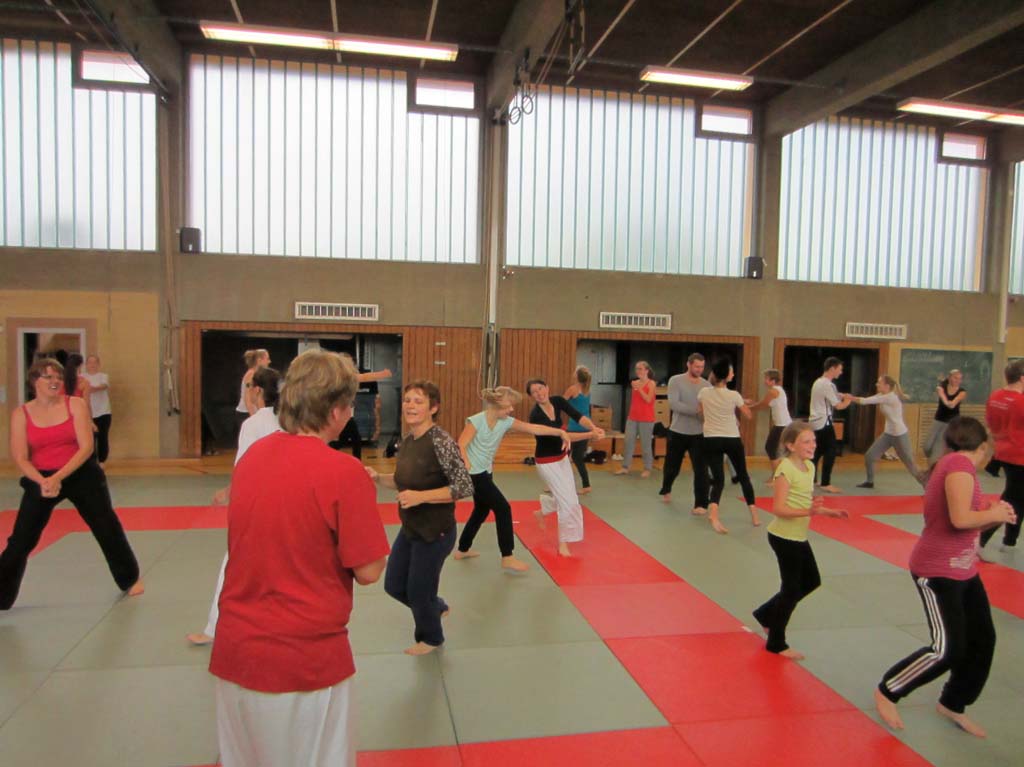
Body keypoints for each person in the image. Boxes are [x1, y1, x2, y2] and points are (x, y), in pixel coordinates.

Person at [210, 350, 389, 767]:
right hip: (303, 664)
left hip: (236, 653)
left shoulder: (252, 457)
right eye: (349, 405)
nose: (350, 413)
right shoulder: (342, 472)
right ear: (336, 409)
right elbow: (368, 570)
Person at [874, 417, 1016, 739]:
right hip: (937, 571)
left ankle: (953, 702)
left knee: (982, 639)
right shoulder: (959, 466)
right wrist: (993, 513)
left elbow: (965, 524)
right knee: (946, 649)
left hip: (963, 569)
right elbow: (960, 519)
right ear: (983, 446)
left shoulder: (958, 467)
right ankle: (888, 690)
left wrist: (994, 516)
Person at [1, 358, 142, 610]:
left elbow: (86, 447)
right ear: (34, 382)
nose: (55, 381)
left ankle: (129, 578)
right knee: (21, 539)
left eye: (58, 377)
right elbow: (20, 457)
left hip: (80, 473)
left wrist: (58, 477)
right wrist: (42, 480)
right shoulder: (21, 414)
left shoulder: (75, 404)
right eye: (48, 377)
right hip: (41, 477)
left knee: (105, 525)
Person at [369, 380, 474, 656]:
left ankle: (431, 637)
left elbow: (464, 486)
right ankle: (435, 607)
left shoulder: (441, 441)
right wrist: (378, 477)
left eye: (418, 401)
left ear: (433, 408)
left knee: (418, 591)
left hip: (436, 532)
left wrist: (421, 497)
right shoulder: (408, 441)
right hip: (411, 528)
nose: (411, 406)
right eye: (407, 400)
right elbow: (402, 480)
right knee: (394, 585)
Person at [187, 367, 282, 646]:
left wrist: (228, 493)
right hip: (286, 503)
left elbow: (244, 469)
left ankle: (213, 627)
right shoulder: (289, 420)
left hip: (257, 505)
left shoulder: (254, 424)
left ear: (257, 391)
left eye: (249, 387)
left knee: (233, 562)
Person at [753, 421, 848, 659]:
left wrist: (828, 512)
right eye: (806, 442)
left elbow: (804, 502)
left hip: (797, 535)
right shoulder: (785, 470)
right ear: (790, 445)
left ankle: (766, 614)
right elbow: (779, 509)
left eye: (813, 441)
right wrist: (810, 512)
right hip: (783, 537)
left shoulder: (809, 466)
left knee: (812, 581)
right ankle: (776, 642)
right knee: (791, 588)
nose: (812, 445)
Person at [454, 386, 574, 572]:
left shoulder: (505, 421)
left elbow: (533, 428)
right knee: (503, 508)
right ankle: (507, 556)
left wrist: (560, 432)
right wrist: (467, 462)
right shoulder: (476, 421)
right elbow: (461, 444)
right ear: (497, 405)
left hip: (485, 471)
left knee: (481, 510)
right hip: (474, 473)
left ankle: (462, 549)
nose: (511, 409)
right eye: (508, 406)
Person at [526, 379, 604, 557]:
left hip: (562, 458)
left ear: (547, 388)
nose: (539, 393)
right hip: (547, 463)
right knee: (567, 502)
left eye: (540, 388)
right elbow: (562, 437)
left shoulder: (558, 401)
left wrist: (594, 427)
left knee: (571, 498)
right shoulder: (536, 416)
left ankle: (542, 512)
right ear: (531, 396)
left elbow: (578, 416)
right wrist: (590, 435)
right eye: (534, 392)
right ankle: (563, 543)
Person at [697, 358, 759, 534]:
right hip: (731, 438)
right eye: (731, 371)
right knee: (743, 476)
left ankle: (714, 514)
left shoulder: (703, 392)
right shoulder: (734, 395)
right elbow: (748, 416)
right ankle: (754, 515)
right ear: (726, 376)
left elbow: (700, 413)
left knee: (718, 480)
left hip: (711, 438)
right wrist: (742, 405)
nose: (733, 373)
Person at [980, 360, 1024, 559]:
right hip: (1020, 455)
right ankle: (980, 539)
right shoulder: (1020, 402)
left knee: (1017, 497)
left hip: (1004, 452)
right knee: (1012, 500)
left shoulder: (995, 396)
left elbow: (990, 423)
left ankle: (1010, 540)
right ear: (1022, 378)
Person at [659, 353, 710, 513]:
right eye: (697, 366)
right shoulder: (676, 380)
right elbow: (674, 404)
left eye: (702, 367)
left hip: (699, 433)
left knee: (701, 470)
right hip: (678, 431)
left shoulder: (706, 385)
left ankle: (701, 504)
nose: (699, 369)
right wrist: (697, 411)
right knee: (672, 467)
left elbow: (710, 405)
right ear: (689, 364)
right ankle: (666, 488)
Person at [854, 375, 925, 488]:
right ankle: (869, 481)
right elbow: (867, 399)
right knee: (870, 456)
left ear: (887, 386)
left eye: (879, 383)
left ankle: (928, 484)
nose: (877, 384)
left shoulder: (890, 398)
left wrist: (847, 397)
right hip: (888, 434)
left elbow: (864, 401)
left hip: (900, 435)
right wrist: (848, 397)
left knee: (910, 463)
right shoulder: (881, 395)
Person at [329, 360, 392, 460]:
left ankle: (353, 459)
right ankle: (355, 459)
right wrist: (382, 374)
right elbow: (365, 377)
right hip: (343, 417)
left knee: (346, 440)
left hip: (346, 416)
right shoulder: (342, 378)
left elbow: (365, 377)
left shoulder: (345, 379)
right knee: (354, 439)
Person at [809, 357, 853, 493]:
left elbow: (833, 395)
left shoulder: (819, 382)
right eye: (839, 369)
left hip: (815, 422)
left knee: (817, 451)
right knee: (831, 450)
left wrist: (842, 395)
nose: (841, 372)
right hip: (823, 422)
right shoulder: (827, 384)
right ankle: (825, 483)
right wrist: (848, 401)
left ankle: (812, 479)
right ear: (832, 368)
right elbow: (838, 406)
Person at [746, 368, 792, 485]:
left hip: (782, 425)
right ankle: (777, 476)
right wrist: (751, 404)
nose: (764, 381)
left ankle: (776, 477)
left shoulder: (773, 391)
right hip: (782, 424)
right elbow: (765, 404)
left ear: (773, 380)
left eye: (766, 379)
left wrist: (747, 408)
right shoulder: (776, 390)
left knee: (771, 448)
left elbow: (763, 404)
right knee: (773, 449)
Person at [614, 361, 657, 478]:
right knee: (628, 442)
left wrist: (639, 388)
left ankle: (647, 468)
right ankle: (625, 467)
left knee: (646, 444)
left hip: (647, 419)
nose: (638, 371)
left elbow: (648, 399)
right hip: (632, 418)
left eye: (640, 369)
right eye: (637, 369)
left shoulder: (651, 383)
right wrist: (637, 387)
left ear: (647, 370)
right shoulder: (635, 383)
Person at [923, 370, 966, 463]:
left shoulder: (962, 392)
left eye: (960, 379)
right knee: (927, 446)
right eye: (955, 378)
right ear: (949, 377)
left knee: (938, 445)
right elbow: (944, 399)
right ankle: (933, 460)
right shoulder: (941, 388)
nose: (958, 381)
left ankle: (933, 464)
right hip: (938, 419)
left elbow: (954, 404)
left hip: (951, 422)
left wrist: (951, 403)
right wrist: (947, 402)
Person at [563, 365, 594, 493]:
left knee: (563, 456)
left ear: (576, 376)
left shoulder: (573, 389)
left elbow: (561, 402)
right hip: (586, 426)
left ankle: (556, 484)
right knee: (577, 457)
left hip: (575, 427)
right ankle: (586, 485)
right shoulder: (587, 389)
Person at [83, 354, 112, 466]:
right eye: (90, 362)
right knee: (89, 439)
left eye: (95, 362)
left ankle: (101, 461)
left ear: (98, 364)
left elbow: (103, 386)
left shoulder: (103, 376)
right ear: (86, 364)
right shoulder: (82, 377)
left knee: (102, 437)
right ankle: (90, 462)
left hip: (103, 412)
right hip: (87, 414)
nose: (92, 365)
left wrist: (90, 388)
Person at [236, 348, 270, 424]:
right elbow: (248, 399)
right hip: (246, 413)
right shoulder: (251, 374)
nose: (269, 361)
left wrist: (263, 415)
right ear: (259, 360)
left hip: (253, 413)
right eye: (267, 359)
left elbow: (259, 398)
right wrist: (254, 418)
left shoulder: (258, 375)